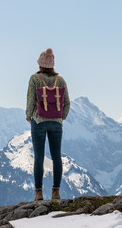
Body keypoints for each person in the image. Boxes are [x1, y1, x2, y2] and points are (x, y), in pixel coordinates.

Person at [26, 48, 70, 201]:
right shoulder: (61, 80)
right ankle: (56, 192)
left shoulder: (34, 79)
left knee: (39, 157)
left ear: (40, 64)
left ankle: (38, 193)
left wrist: (28, 116)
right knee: (56, 157)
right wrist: (60, 118)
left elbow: (31, 100)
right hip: (56, 123)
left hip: (38, 121)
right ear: (52, 64)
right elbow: (67, 103)